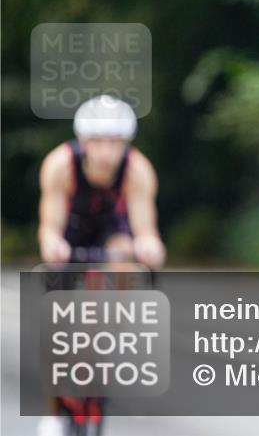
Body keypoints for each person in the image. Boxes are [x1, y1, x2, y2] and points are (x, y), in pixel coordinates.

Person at [36, 95, 166, 436]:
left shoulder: (138, 170)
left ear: (126, 144)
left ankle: (115, 331)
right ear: (83, 141)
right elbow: (49, 225)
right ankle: (53, 411)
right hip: (71, 231)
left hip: (112, 230)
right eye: (98, 141)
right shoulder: (59, 166)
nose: (107, 152)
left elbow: (144, 227)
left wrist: (149, 246)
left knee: (125, 259)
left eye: (115, 142)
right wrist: (53, 244)